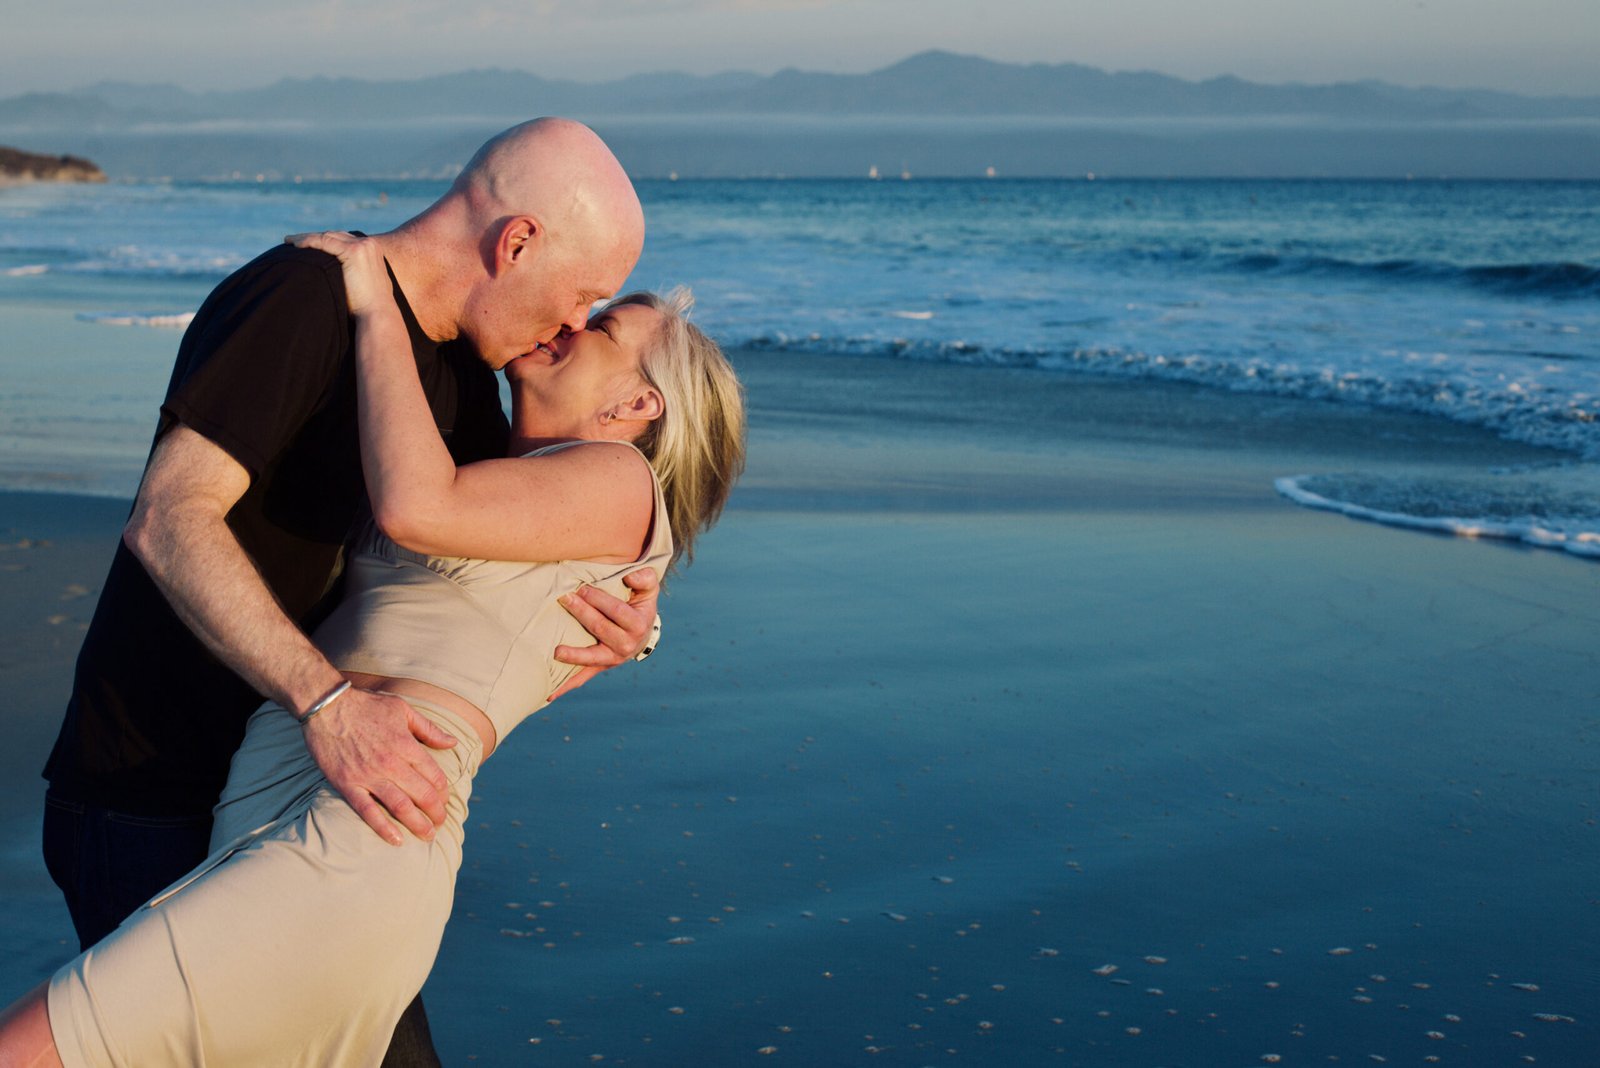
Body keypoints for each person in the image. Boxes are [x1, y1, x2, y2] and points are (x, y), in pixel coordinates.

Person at [0, 230, 747, 1066]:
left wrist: (369, 295)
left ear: (639, 407)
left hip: (359, 830)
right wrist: (640, 633)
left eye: (600, 326)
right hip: (270, 797)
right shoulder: (490, 457)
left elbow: (414, 506)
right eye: (585, 305)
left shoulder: (617, 478)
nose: (569, 322)